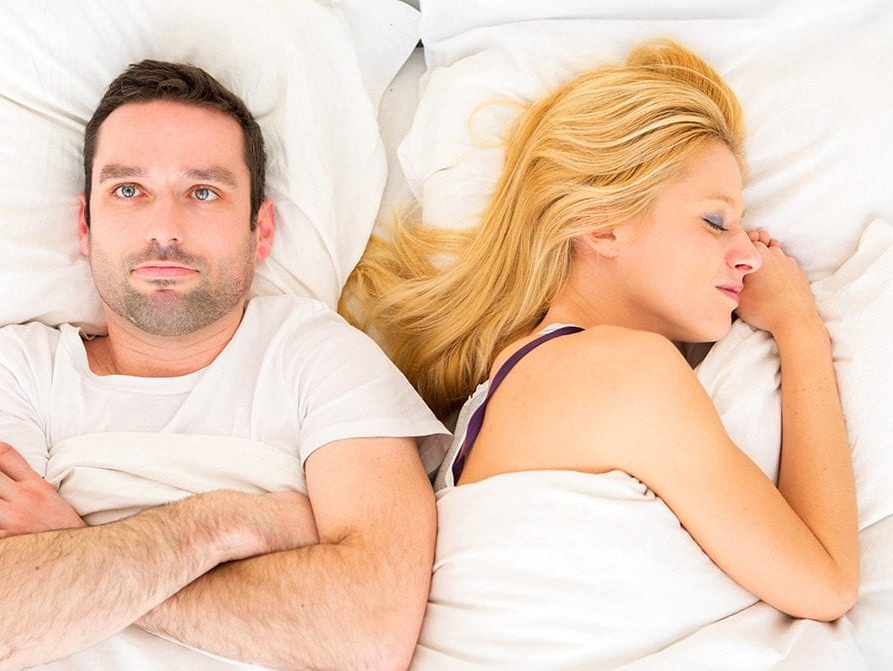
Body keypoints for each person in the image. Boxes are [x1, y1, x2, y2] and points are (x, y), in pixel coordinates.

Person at [0, 59, 449, 671]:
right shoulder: (19, 369)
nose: (164, 229)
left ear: (261, 230)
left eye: (203, 193)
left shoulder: (316, 356)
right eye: (128, 190)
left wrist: (78, 544)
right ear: (85, 226)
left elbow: (372, 629)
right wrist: (233, 522)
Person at [341, 39, 859, 621]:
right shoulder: (623, 373)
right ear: (603, 225)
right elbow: (828, 585)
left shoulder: (520, 376)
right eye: (715, 221)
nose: (750, 255)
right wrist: (799, 325)